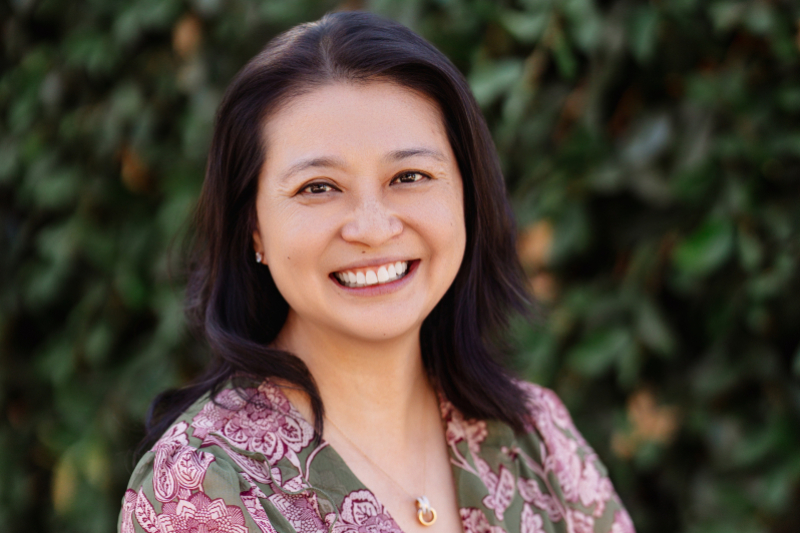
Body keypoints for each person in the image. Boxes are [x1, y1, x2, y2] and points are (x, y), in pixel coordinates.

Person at [119, 11, 635, 533]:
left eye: (409, 176)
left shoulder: (534, 434)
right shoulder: (206, 487)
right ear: (253, 227)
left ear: (466, 195)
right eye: (318, 187)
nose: (372, 228)